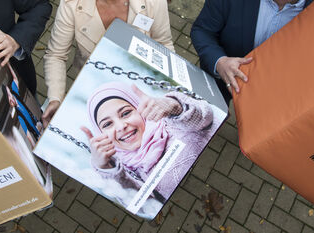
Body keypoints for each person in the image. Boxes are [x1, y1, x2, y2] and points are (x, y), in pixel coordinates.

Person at [42, 0, 174, 124]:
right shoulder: (71, 1)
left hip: (142, 95)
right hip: (93, 96)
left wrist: (166, 93)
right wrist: (56, 99)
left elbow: (164, 45)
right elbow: (56, 55)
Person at [81, 82, 215, 202]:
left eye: (126, 113)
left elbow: (207, 117)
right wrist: (105, 168)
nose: (121, 126)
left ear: (138, 107)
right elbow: (144, 205)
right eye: (107, 124)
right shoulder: (124, 170)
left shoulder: (171, 119)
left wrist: (175, 108)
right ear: (101, 134)